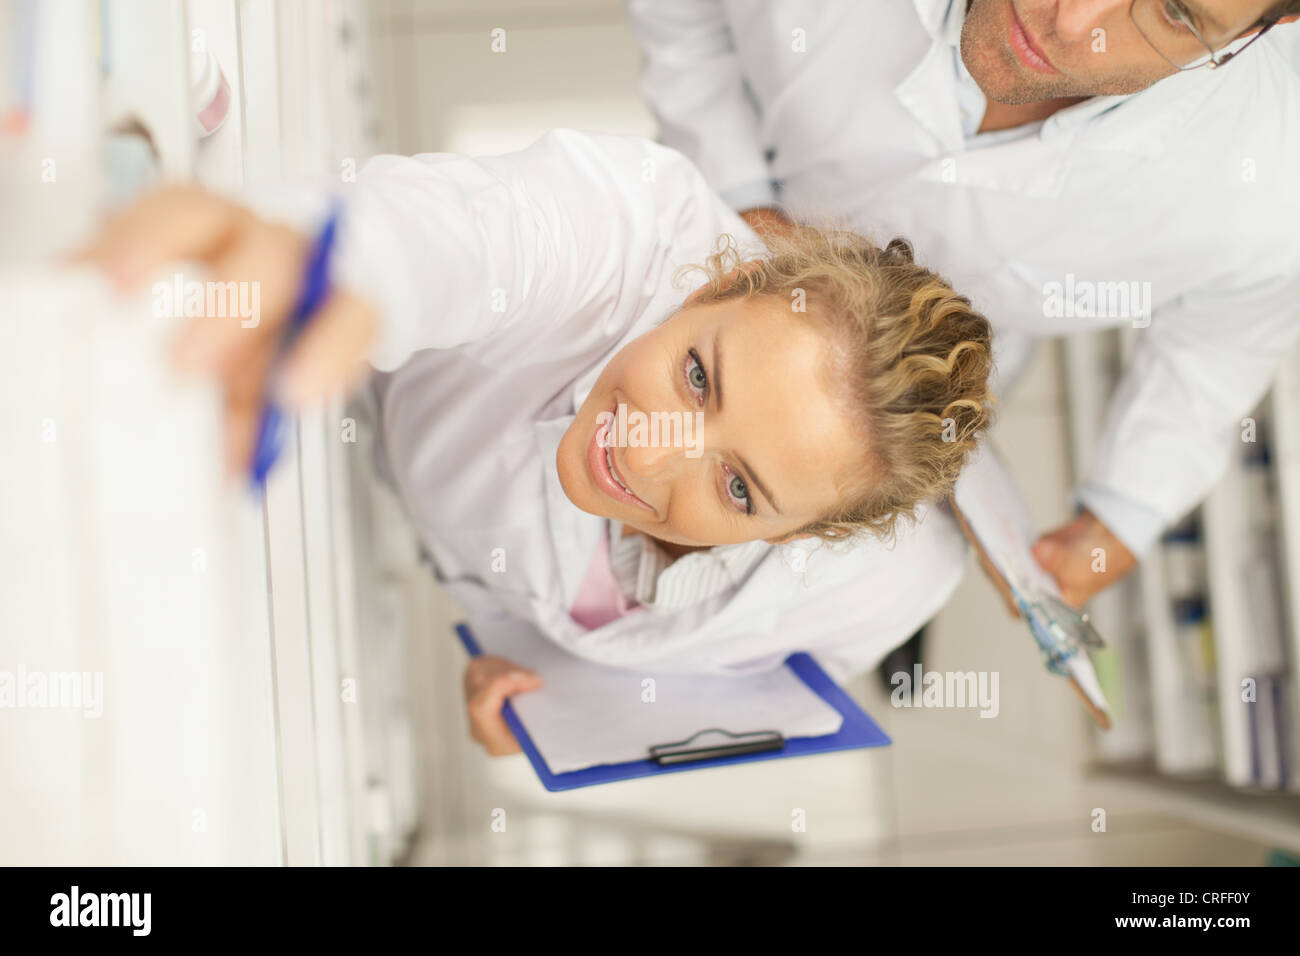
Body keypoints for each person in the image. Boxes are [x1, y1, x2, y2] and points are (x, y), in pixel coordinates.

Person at [79, 128, 993, 754]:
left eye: (741, 490)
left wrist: (543, 686)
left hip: (378, 540)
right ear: (718, 286)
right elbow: (470, 237)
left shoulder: (881, 589)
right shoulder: (634, 228)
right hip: (358, 422)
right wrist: (331, 270)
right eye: (699, 377)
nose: (644, 455)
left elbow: (741, 701)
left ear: (798, 538)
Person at [628, 0, 1300, 611]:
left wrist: (1124, 513)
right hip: (691, 266)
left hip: (890, 431)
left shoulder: (1267, 182)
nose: (1070, 21)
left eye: (1175, 14)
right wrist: (740, 193)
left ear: (1266, 30)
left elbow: (1218, 346)